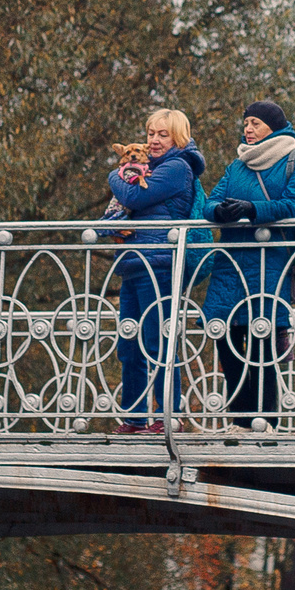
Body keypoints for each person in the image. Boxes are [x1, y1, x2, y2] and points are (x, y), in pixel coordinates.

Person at [195, 101, 295, 425]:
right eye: (246, 123)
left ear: (272, 127)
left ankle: (265, 423)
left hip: (269, 264)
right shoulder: (237, 164)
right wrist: (219, 212)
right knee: (225, 338)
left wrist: (252, 208)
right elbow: (210, 202)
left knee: (263, 343)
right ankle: (239, 422)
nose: (247, 129)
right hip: (230, 265)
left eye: (255, 123)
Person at [102, 109, 205, 433]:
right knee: (129, 346)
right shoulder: (148, 168)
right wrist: (114, 225)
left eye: (163, 134)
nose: (155, 140)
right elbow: (110, 219)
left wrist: (114, 175)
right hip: (133, 263)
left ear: (179, 137)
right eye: (151, 134)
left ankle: (167, 417)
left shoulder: (177, 168)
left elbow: (132, 195)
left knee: (157, 341)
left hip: (159, 264)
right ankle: (133, 419)